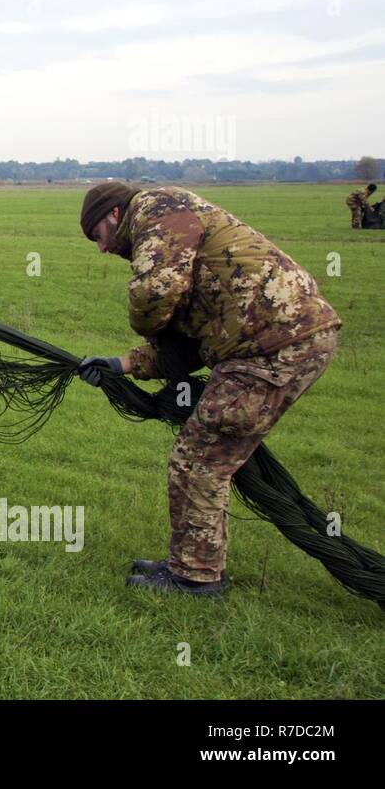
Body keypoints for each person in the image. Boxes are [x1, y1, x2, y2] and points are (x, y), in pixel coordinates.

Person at [77, 182, 340, 596]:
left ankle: (195, 576)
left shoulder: (155, 207)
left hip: (272, 348)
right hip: (275, 342)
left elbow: (154, 292)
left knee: (201, 461)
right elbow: (188, 348)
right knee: (200, 457)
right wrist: (119, 365)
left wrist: (150, 326)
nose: (102, 249)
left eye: (97, 236)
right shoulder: (179, 240)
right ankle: (190, 564)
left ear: (113, 215)